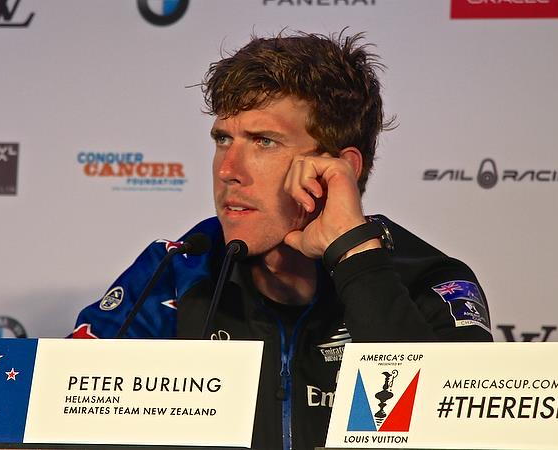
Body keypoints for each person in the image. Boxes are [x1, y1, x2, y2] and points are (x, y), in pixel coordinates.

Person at [72, 30, 493, 450]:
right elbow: (61, 417)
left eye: (263, 142)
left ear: (339, 168)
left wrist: (359, 261)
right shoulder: (176, 271)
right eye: (223, 139)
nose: (228, 170)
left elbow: (447, 434)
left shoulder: (430, 280)